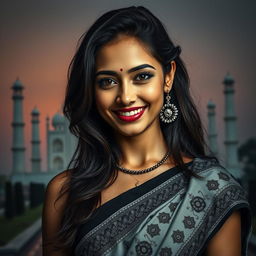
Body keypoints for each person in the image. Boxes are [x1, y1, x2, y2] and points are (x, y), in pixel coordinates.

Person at [42, 6, 252, 256]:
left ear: (168, 77)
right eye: (107, 81)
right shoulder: (65, 193)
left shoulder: (213, 191)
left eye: (141, 76)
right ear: (92, 90)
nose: (125, 97)